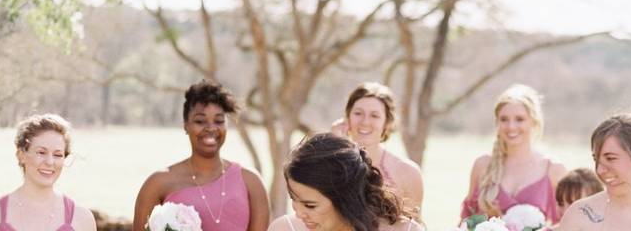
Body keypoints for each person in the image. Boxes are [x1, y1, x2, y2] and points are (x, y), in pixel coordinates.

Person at [133, 80, 269, 231]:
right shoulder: (157, 184)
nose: (211, 128)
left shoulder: (251, 181)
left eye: (218, 121)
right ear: (186, 124)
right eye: (200, 121)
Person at [267, 133, 423, 231]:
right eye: (294, 200)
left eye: (310, 205)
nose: (299, 214)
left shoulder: (407, 230)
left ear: (346, 198)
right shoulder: (285, 228)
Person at [0, 113, 97, 231]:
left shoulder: (82, 219)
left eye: (57, 155)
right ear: (21, 155)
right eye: (41, 152)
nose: (50, 162)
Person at [460, 84, 566, 224]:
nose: (511, 127)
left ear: (534, 121)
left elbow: (568, 223)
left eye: (519, 119)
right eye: (504, 119)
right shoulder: (482, 166)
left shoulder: (554, 170)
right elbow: (466, 221)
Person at [330, 82, 424, 217]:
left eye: (374, 115)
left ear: (387, 123)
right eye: (358, 113)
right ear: (347, 118)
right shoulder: (330, 164)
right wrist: (334, 146)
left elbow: (414, 226)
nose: (365, 122)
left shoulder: (409, 172)